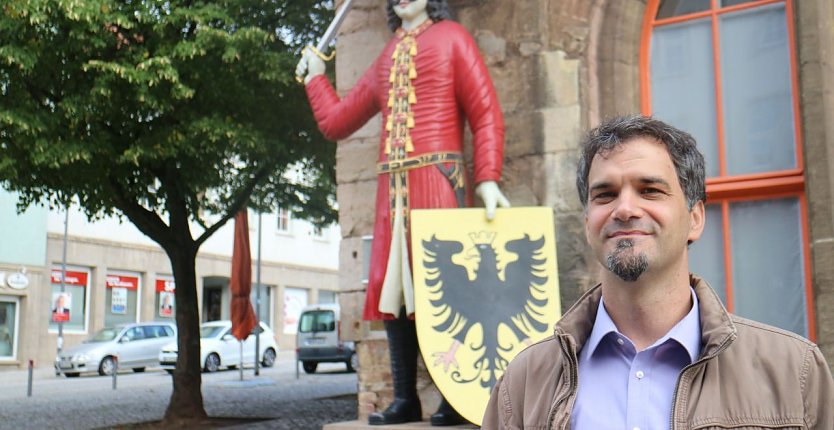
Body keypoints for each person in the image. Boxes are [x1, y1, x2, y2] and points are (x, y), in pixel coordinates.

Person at [482, 115, 834, 429]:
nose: (625, 208)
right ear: (588, 224)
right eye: (605, 194)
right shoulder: (524, 384)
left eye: (650, 190)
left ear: (694, 219)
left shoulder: (794, 373)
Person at [296, 0, 509, 426]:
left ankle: (454, 398)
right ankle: (405, 398)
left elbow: (485, 112)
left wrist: (487, 177)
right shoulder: (387, 55)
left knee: (443, 289)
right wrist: (317, 80)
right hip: (391, 192)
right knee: (394, 294)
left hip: (438, 180)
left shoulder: (454, 39)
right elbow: (338, 122)